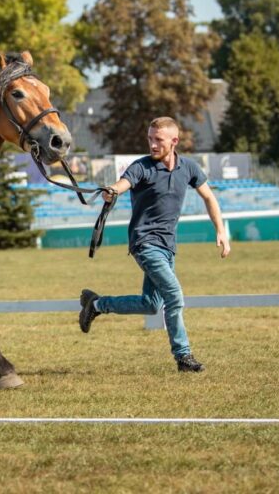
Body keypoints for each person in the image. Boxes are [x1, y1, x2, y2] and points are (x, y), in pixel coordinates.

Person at [79, 117, 230, 372]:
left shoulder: (189, 169)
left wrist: (221, 231)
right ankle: (184, 357)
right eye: (150, 139)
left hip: (168, 246)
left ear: (174, 141)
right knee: (174, 295)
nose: (152, 144)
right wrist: (111, 191)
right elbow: (122, 185)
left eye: (158, 140)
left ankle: (95, 304)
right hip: (144, 243)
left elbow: (209, 197)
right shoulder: (141, 167)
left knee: (151, 304)